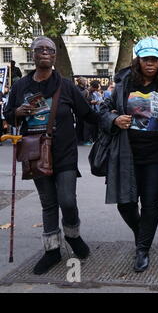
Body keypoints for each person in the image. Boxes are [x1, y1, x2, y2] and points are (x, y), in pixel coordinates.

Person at [3, 36, 99, 275]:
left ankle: (73, 236)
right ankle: (52, 250)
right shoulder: (20, 86)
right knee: (48, 202)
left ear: (54, 57)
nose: (45, 52)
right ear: (33, 55)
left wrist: (112, 122)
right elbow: (8, 115)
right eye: (40, 49)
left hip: (64, 151)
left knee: (67, 200)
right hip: (34, 152)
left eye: (50, 50)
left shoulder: (66, 85)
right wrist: (17, 111)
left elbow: (87, 113)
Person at [99, 37, 158, 272]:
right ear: (138, 59)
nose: (150, 63)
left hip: (157, 156)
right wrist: (115, 119)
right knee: (124, 203)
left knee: (150, 205)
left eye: (155, 59)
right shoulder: (123, 83)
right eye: (146, 58)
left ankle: (142, 249)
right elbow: (104, 110)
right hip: (126, 154)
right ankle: (142, 234)